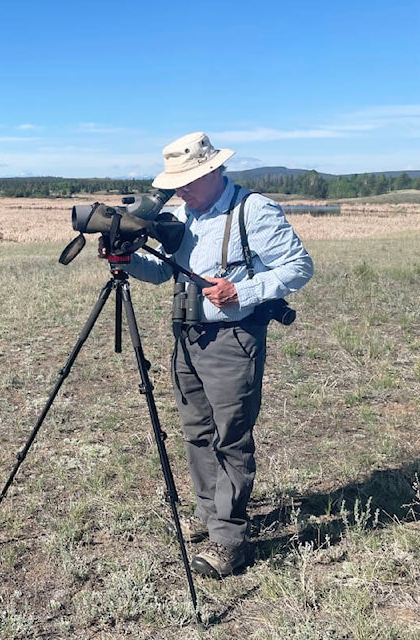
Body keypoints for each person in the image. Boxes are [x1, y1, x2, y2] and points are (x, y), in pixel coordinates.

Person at [122, 131, 314, 578]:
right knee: (196, 433)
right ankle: (212, 515)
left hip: (233, 339)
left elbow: (299, 266)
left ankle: (230, 540)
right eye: (175, 182)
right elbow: (159, 272)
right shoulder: (181, 216)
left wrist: (243, 289)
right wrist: (124, 258)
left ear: (212, 171)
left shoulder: (253, 210)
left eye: (187, 180)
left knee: (230, 437)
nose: (180, 189)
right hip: (187, 338)